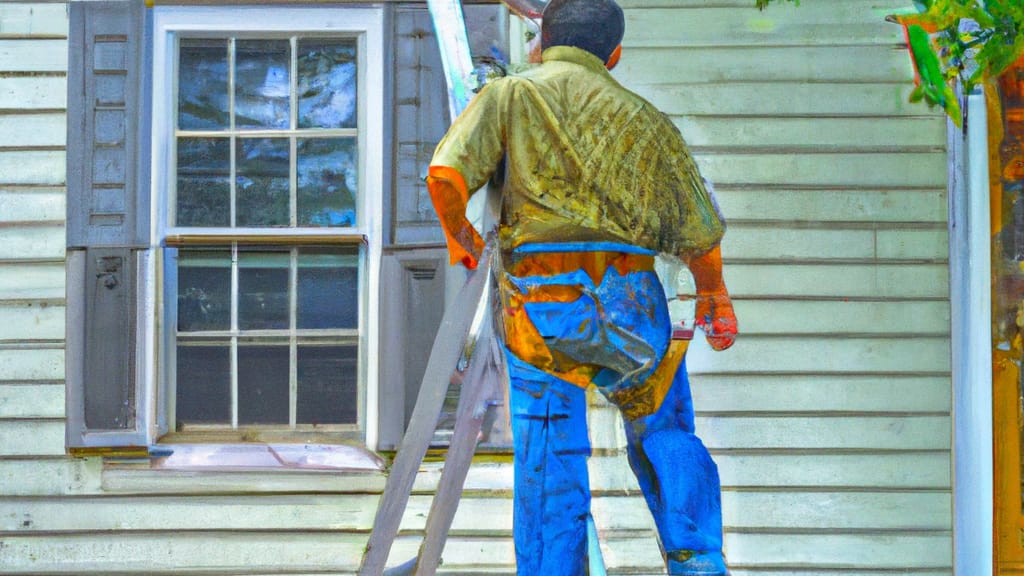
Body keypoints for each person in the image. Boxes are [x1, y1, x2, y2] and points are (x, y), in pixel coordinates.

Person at [426, 0, 737, 573]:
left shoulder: (510, 95)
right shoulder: (646, 120)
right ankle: (698, 562)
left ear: (542, 40)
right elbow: (699, 234)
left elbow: (445, 175)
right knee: (666, 434)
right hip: (631, 301)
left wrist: (461, 239)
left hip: (543, 307)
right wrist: (716, 299)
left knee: (551, 456)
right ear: (613, 54)